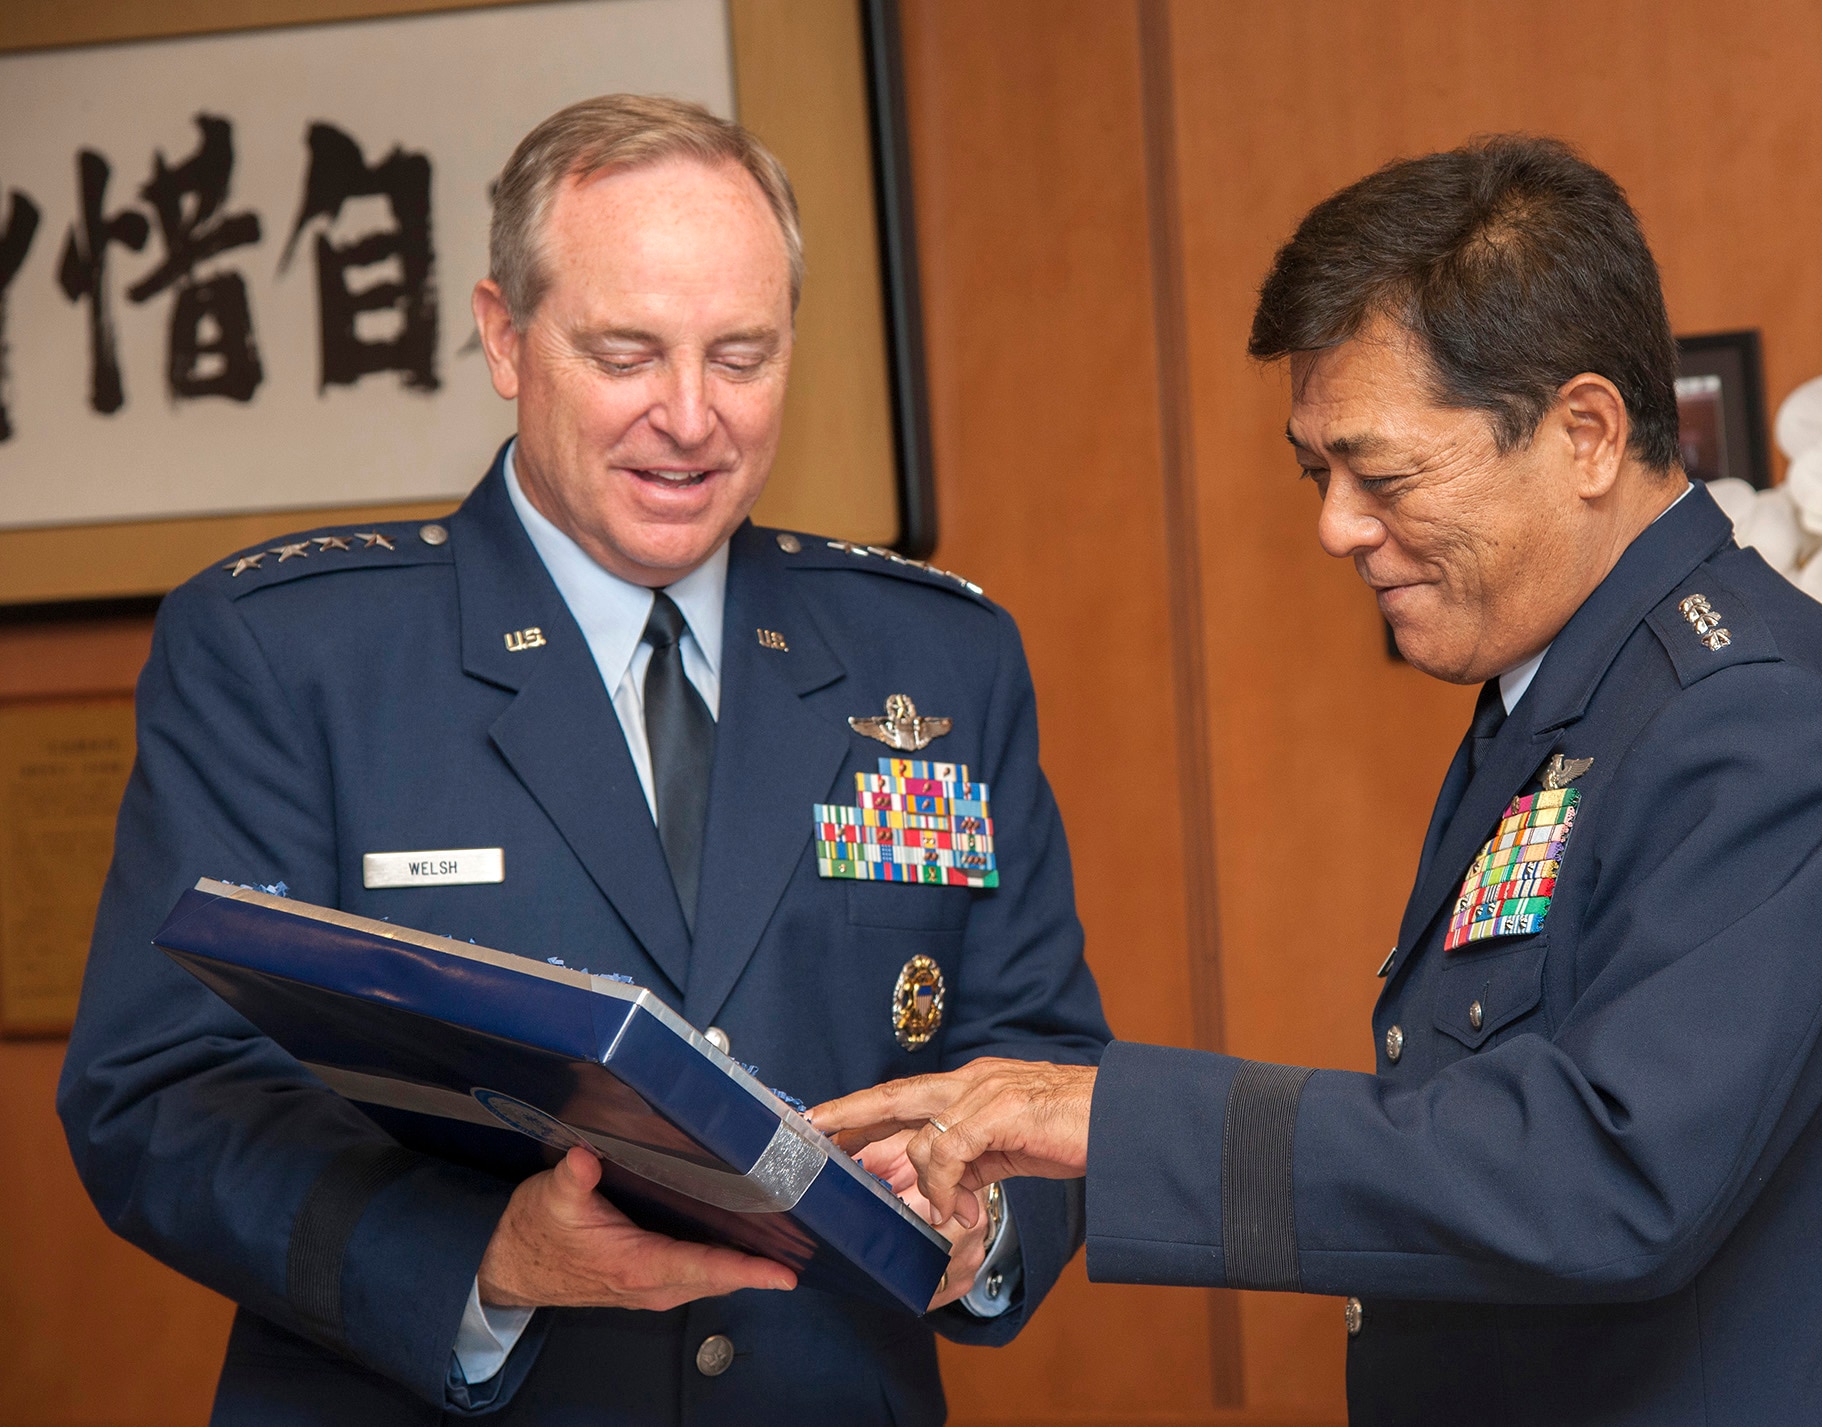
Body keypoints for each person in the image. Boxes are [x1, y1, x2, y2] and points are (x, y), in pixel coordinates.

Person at [813, 136, 1822, 1425]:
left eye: (1386, 475)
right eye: (1320, 474)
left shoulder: (1763, 721)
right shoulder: (1573, 697)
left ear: (1585, 433)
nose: (1337, 527)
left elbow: (1605, 1172)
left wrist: (1115, 1121)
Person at [59, 94, 1109, 1427]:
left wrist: (981, 1214)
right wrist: (486, 1259)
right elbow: (159, 1095)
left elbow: (1037, 1055)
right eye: (625, 355)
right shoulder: (294, 653)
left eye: (742, 356)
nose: (690, 418)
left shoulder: (936, 661)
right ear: (504, 337)